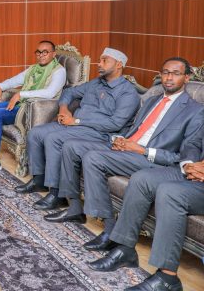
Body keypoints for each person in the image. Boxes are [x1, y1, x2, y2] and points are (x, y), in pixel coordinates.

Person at [48, 57, 204, 229]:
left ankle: (108, 227)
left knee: (93, 158)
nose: (169, 78)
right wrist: (120, 140)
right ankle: (75, 209)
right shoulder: (152, 100)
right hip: (127, 146)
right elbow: (133, 129)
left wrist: (142, 150)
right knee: (71, 146)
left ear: (186, 78)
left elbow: (184, 155)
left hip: (149, 158)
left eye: (176, 74)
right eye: (165, 73)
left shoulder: (195, 110)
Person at [15, 48, 140, 215]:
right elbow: (69, 92)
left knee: (53, 139)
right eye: (100, 60)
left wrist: (76, 121)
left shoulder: (128, 93)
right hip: (75, 125)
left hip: (98, 132)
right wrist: (63, 109)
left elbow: (115, 124)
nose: (99, 64)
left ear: (119, 65)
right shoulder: (96, 83)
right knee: (35, 133)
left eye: (104, 61)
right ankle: (39, 180)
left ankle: (57, 194)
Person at [87, 123, 204, 291]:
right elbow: (193, 142)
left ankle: (167, 279)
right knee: (141, 179)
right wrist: (188, 164)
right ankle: (125, 249)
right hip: (192, 170)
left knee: (169, 192)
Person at [0, 40, 66, 174]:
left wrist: (21, 94)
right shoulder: (34, 69)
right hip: (21, 104)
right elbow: (15, 80)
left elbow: (50, 93)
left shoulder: (59, 71)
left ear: (53, 54)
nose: (41, 55)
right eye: (38, 52)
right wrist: (0, 87)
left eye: (45, 52)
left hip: (32, 110)